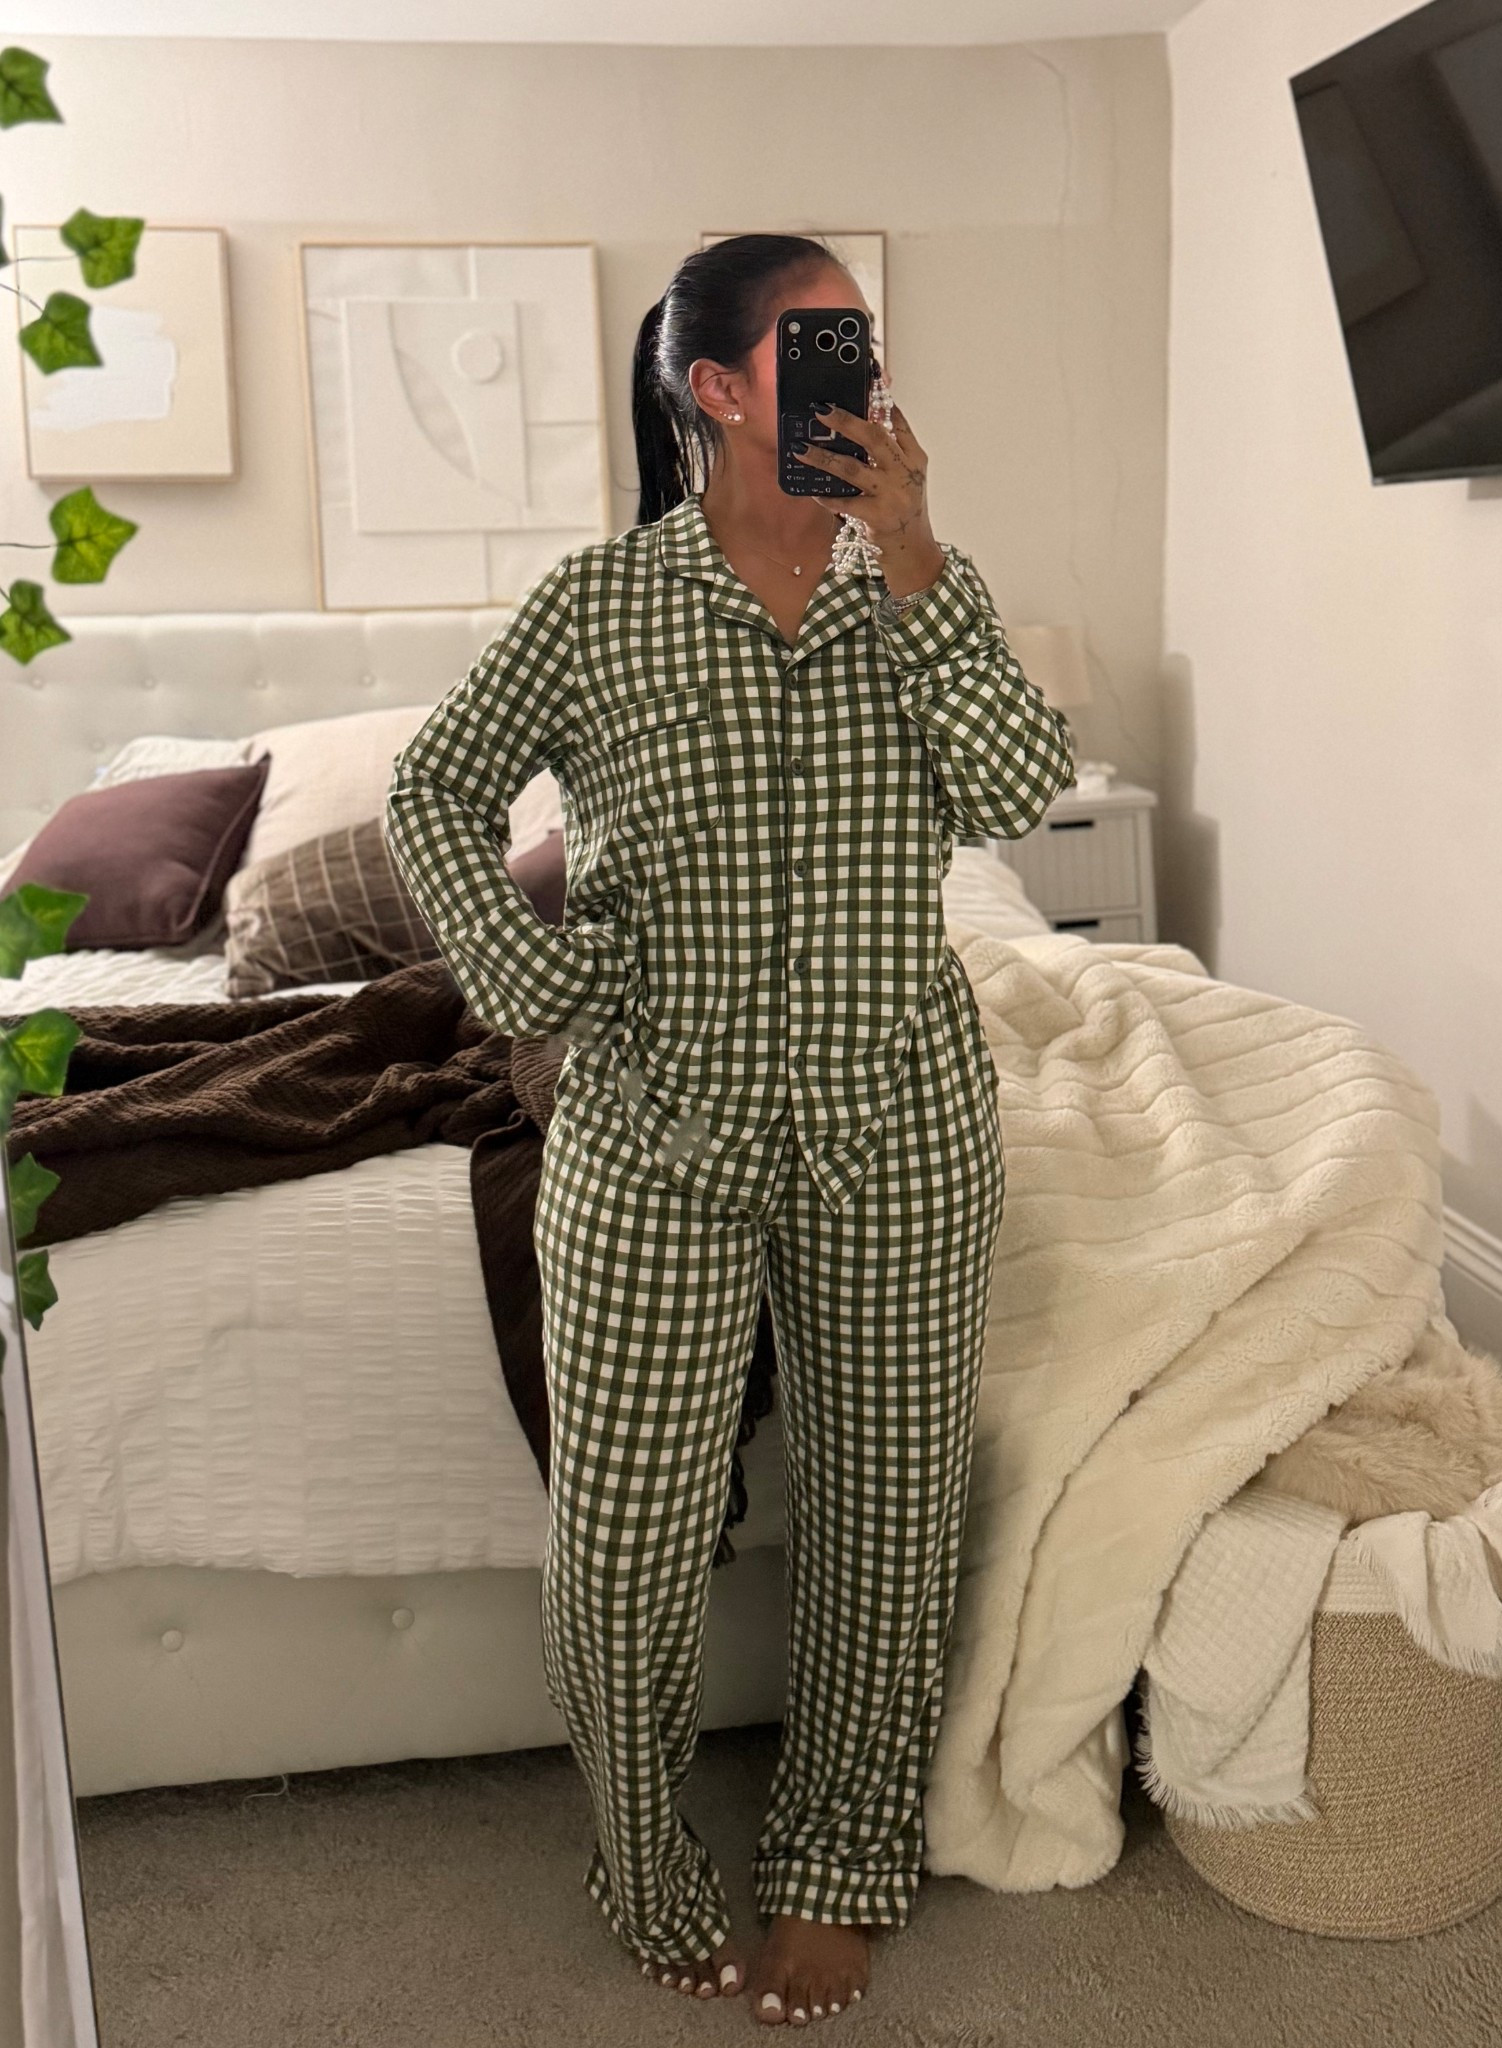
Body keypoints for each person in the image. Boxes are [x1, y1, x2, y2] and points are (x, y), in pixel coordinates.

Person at [384, 232, 1077, 2028]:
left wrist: (916, 558)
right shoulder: (597, 606)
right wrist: (531, 980)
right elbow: (435, 786)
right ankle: (642, 1857)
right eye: (824, 339)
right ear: (717, 385)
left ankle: (839, 1860)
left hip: (897, 1123)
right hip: (654, 1129)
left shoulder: (916, 590)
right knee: (623, 1543)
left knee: (888, 1516)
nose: (867, 368)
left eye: (869, 337)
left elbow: (1021, 793)